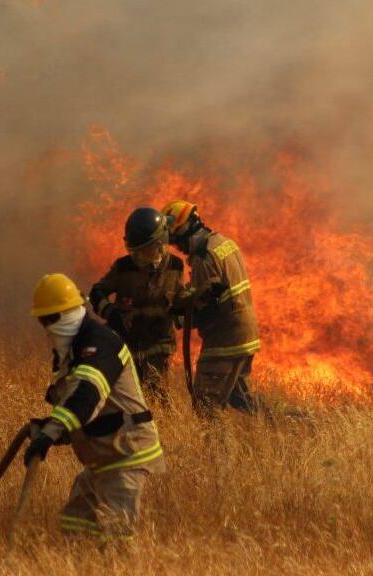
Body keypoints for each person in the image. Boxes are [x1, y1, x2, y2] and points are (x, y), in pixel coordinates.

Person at [25, 273, 164, 538]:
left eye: (49, 319)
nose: (45, 328)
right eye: (41, 321)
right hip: (103, 456)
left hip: (127, 453)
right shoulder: (72, 350)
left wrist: (51, 433)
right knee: (76, 524)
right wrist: (47, 429)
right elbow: (77, 410)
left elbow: (86, 398)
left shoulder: (99, 344)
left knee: (115, 536)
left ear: (67, 313)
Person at [163, 201, 260, 414]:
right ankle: (283, 424)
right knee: (241, 398)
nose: (177, 247)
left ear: (185, 230)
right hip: (247, 333)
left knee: (206, 406)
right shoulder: (224, 243)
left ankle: (219, 448)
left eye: (177, 241)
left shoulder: (204, 257)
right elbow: (216, 288)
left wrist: (178, 317)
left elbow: (209, 306)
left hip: (225, 340)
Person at [89, 207, 184, 402]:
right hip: (127, 347)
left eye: (143, 251)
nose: (138, 256)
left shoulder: (175, 266)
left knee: (158, 399)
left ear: (159, 244)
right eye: (135, 251)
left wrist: (185, 308)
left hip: (159, 346)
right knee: (126, 399)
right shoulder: (123, 267)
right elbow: (96, 293)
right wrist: (111, 313)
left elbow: (180, 298)